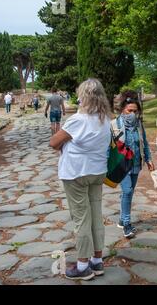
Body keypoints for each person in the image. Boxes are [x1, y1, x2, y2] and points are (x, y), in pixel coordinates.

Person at [49, 78, 112, 280]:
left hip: (76, 173)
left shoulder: (78, 120)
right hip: (97, 172)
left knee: (81, 219)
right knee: (95, 216)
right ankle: (97, 260)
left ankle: (83, 265)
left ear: (83, 96)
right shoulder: (106, 119)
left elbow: (54, 142)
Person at [111, 90, 155, 238]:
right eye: (130, 111)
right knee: (128, 191)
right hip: (121, 164)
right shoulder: (114, 124)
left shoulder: (138, 125)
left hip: (136, 163)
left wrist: (149, 159)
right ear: (123, 108)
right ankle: (127, 224)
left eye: (135, 112)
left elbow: (145, 143)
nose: (133, 114)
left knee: (128, 193)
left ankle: (122, 220)